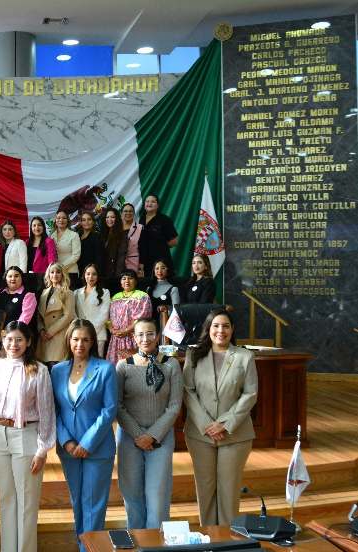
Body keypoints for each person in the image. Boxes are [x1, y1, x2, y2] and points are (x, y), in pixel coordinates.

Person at [0, 321, 55, 552]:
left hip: (26, 435)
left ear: (29, 341)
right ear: (2, 340)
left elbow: (47, 412)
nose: (14, 344)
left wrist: (42, 450)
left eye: (19, 339)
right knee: (6, 498)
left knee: (26, 501)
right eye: (9, 339)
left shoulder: (39, 370)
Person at [184, 309, 257, 526]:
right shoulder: (194, 354)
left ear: (232, 329)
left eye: (226, 326)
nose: (220, 330)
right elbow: (188, 391)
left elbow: (250, 393)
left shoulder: (245, 356)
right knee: (205, 489)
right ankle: (208, 539)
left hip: (235, 434)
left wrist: (224, 424)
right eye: (216, 325)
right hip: (200, 434)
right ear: (208, 329)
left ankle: (229, 541)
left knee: (229, 490)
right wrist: (207, 425)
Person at [51, 319, 117, 549]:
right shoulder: (57, 370)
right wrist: (67, 441)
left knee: (93, 505)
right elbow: (55, 410)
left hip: (97, 448)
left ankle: (89, 548)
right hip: (68, 449)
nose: (80, 344)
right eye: (75, 339)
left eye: (85, 340)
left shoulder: (106, 368)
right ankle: (85, 546)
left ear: (92, 342)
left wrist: (87, 443)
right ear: (68, 340)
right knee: (78, 501)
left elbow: (109, 411)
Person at [116, 318, 183, 529]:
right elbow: (117, 406)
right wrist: (138, 435)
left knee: (158, 496)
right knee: (132, 495)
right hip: (129, 437)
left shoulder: (171, 364)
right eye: (141, 334)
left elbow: (174, 406)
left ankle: (156, 544)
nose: (146, 339)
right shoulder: (123, 366)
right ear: (134, 338)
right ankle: (136, 541)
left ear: (158, 336)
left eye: (150, 333)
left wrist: (152, 435)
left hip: (160, 438)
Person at [106, 269, 152, 364]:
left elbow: (142, 319)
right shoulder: (115, 297)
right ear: (120, 282)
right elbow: (107, 317)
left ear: (135, 281)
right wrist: (111, 329)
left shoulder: (142, 296)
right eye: (124, 279)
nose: (127, 281)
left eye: (130, 278)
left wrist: (127, 331)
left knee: (133, 367)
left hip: (133, 338)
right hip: (116, 339)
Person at [36, 263, 75, 367]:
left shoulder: (68, 292)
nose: (55, 274)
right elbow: (39, 314)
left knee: (56, 367)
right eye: (52, 272)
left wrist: (51, 331)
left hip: (58, 334)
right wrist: (41, 330)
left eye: (58, 272)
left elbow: (68, 316)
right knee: (43, 368)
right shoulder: (44, 292)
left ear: (63, 274)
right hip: (44, 336)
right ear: (48, 274)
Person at [74, 264, 111, 358]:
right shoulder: (77, 292)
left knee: (96, 363)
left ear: (98, 276)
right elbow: (73, 313)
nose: (91, 277)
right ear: (84, 276)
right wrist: (81, 329)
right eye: (88, 274)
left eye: (94, 274)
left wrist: (90, 330)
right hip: (80, 334)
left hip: (97, 334)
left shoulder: (104, 292)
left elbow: (104, 314)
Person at [139, 194, 179, 278]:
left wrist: (160, 246)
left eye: (153, 202)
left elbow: (175, 241)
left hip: (160, 256)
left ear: (157, 205)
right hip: (145, 257)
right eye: (147, 201)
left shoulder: (164, 219)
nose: (149, 203)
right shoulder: (141, 219)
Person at [50, 210, 81, 278]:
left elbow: (76, 255)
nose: (61, 220)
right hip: (55, 274)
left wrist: (61, 267)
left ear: (68, 220)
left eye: (64, 218)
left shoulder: (74, 235)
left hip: (70, 271)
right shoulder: (51, 236)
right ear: (55, 220)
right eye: (58, 218)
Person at [100, 208, 128, 278]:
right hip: (102, 272)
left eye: (112, 217)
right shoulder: (101, 234)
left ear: (117, 219)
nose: (109, 220)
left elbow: (121, 256)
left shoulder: (122, 235)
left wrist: (119, 275)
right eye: (107, 217)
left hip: (114, 273)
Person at [77, 211, 105, 276]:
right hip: (80, 271)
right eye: (84, 220)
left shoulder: (97, 236)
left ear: (93, 222)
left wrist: (96, 273)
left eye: (89, 219)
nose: (86, 222)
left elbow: (100, 258)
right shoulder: (78, 235)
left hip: (92, 273)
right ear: (81, 223)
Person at [121, 203, 143, 275]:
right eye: (126, 211)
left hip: (134, 265)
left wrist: (140, 269)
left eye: (130, 211)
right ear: (122, 213)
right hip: (119, 265)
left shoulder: (140, 228)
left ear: (134, 214)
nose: (128, 213)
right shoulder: (117, 228)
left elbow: (143, 250)